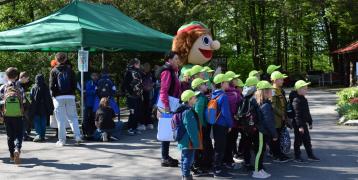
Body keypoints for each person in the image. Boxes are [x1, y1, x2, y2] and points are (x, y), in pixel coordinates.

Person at [49, 52, 83, 146]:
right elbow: (74, 83)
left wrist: (53, 96)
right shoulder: (70, 70)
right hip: (70, 96)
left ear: (56, 60)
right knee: (73, 118)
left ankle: (62, 140)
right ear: (65, 59)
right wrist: (73, 93)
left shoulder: (53, 71)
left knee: (61, 120)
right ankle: (77, 136)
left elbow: (51, 85)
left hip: (58, 97)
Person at [157, 51, 181, 167]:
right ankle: (164, 157)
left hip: (171, 103)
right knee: (166, 129)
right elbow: (163, 90)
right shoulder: (167, 71)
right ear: (169, 60)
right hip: (166, 104)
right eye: (176, 59)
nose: (178, 61)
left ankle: (165, 155)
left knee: (168, 128)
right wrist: (166, 106)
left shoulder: (173, 71)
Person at [252, 81, 279, 179]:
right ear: (265, 92)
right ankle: (256, 171)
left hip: (260, 130)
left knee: (261, 150)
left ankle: (260, 169)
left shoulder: (260, 102)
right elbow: (269, 122)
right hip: (261, 131)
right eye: (270, 90)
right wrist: (274, 134)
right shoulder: (265, 105)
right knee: (259, 151)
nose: (272, 91)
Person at [290, 80, 320, 163]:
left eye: (307, 88)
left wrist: (310, 122)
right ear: (299, 89)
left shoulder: (303, 98)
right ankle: (297, 156)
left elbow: (307, 111)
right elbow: (297, 115)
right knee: (298, 140)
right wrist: (300, 126)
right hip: (298, 124)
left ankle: (310, 155)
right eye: (305, 89)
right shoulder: (296, 100)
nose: (307, 90)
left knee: (307, 139)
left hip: (303, 123)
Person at [0, 67, 25, 164]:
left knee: (10, 135)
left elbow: (1, 101)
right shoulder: (20, 88)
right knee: (19, 133)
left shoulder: (3, 87)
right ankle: (17, 149)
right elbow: (22, 101)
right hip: (18, 115)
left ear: (6, 76)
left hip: (7, 115)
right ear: (16, 76)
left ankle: (11, 155)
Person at [211, 73, 233, 178]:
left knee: (217, 147)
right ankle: (217, 170)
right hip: (222, 125)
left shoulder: (214, 94)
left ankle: (217, 166)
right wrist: (230, 124)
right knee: (220, 148)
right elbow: (226, 113)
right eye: (226, 82)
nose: (228, 83)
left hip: (215, 124)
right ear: (222, 83)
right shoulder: (223, 96)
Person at [178, 90, 202, 180]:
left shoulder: (183, 109)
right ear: (189, 100)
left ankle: (184, 175)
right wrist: (196, 142)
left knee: (185, 157)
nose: (196, 98)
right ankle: (186, 176)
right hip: (188, 141)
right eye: (194, 97)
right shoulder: (188, 112)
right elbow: (191, 129)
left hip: (184, 139)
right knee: (188, 159)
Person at [191, 78, 213, 176]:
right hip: (201, 126)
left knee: (200, 146)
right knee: (203, 146)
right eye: (204, 84)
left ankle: (199, 165)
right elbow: (199, 112)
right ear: (199, 86)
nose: (206, 86)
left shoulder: (196, 96)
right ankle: (201, 166)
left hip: (198, 126)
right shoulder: (201, 98)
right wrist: (202, 125)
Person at [238, 76, 259, 171]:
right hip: (252, 126)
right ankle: (254, 163)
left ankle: (247, 162)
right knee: (255, 144)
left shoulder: (244, 96)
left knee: (247, 144)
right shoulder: (254, 98)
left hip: (244, 125)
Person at [270, 71, 290, 162]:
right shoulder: (273, 91)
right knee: (275, 137)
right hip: (276, 119)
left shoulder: (279, 90)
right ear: (275, 80)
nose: (283, 81)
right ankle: (276, 155)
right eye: (281, 79)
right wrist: (282, 114)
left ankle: (279, 153)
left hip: (281, 118)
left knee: (278, 136)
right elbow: (273, 106)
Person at [223, 71, 242, 169]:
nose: (237, 80)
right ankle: (229, 162)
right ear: (230, 81)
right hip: (233, 123)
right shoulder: (235, 93)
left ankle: (225, 160)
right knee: (231, 142)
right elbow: (239, 108)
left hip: (223, 123)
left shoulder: (223, 92)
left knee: (225, 142)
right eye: (235, 79)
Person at [121, 58, 144, 135]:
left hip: (138, 96)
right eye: (138, 64)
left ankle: (134, 127)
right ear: (135, 64)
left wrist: (140, 94)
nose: (139, 65)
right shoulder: (129, 72)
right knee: (132, 112)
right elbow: (125, 84)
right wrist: (131, 93)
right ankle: (130, 128)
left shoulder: (137, 72)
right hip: (131, 97)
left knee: (137, 112)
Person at [29, 74, 54, 142]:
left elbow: (31, 97)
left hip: (36, 107)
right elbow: (49, 98)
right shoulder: (46, 87)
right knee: (43, 121)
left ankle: (38, 135)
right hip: (45, 108)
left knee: (37, 121)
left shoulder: (34, 87)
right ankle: (42, 135)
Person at [83, 72, 99, 138]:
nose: (95, 77)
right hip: (89, 103)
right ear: (91, 76)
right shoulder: (89, 83)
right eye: (94, 75)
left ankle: (94, 131)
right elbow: (87, 92)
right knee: (88, 118)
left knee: (94, 118)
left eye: (96, 76)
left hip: (95, 103)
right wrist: (95, 91)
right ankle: (89, 132)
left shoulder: (98, 82)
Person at [17, 71, 32, 141]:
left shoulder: (16, 83)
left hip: (19, 106)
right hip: (21, 106)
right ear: (22, 77)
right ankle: (24, 136)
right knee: (23, 120)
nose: (27, 80)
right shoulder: (19, 85)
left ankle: (24, 135)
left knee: (23, 121)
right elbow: (23, 99)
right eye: (27, 78)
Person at [141, 62, 155, 130]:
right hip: (149, 92)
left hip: (143, 93)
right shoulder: (150, 74)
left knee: (143, 109)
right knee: (148, 108)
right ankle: (149, 123)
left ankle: (143, 124)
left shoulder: (141, 74)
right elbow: (153, 83)